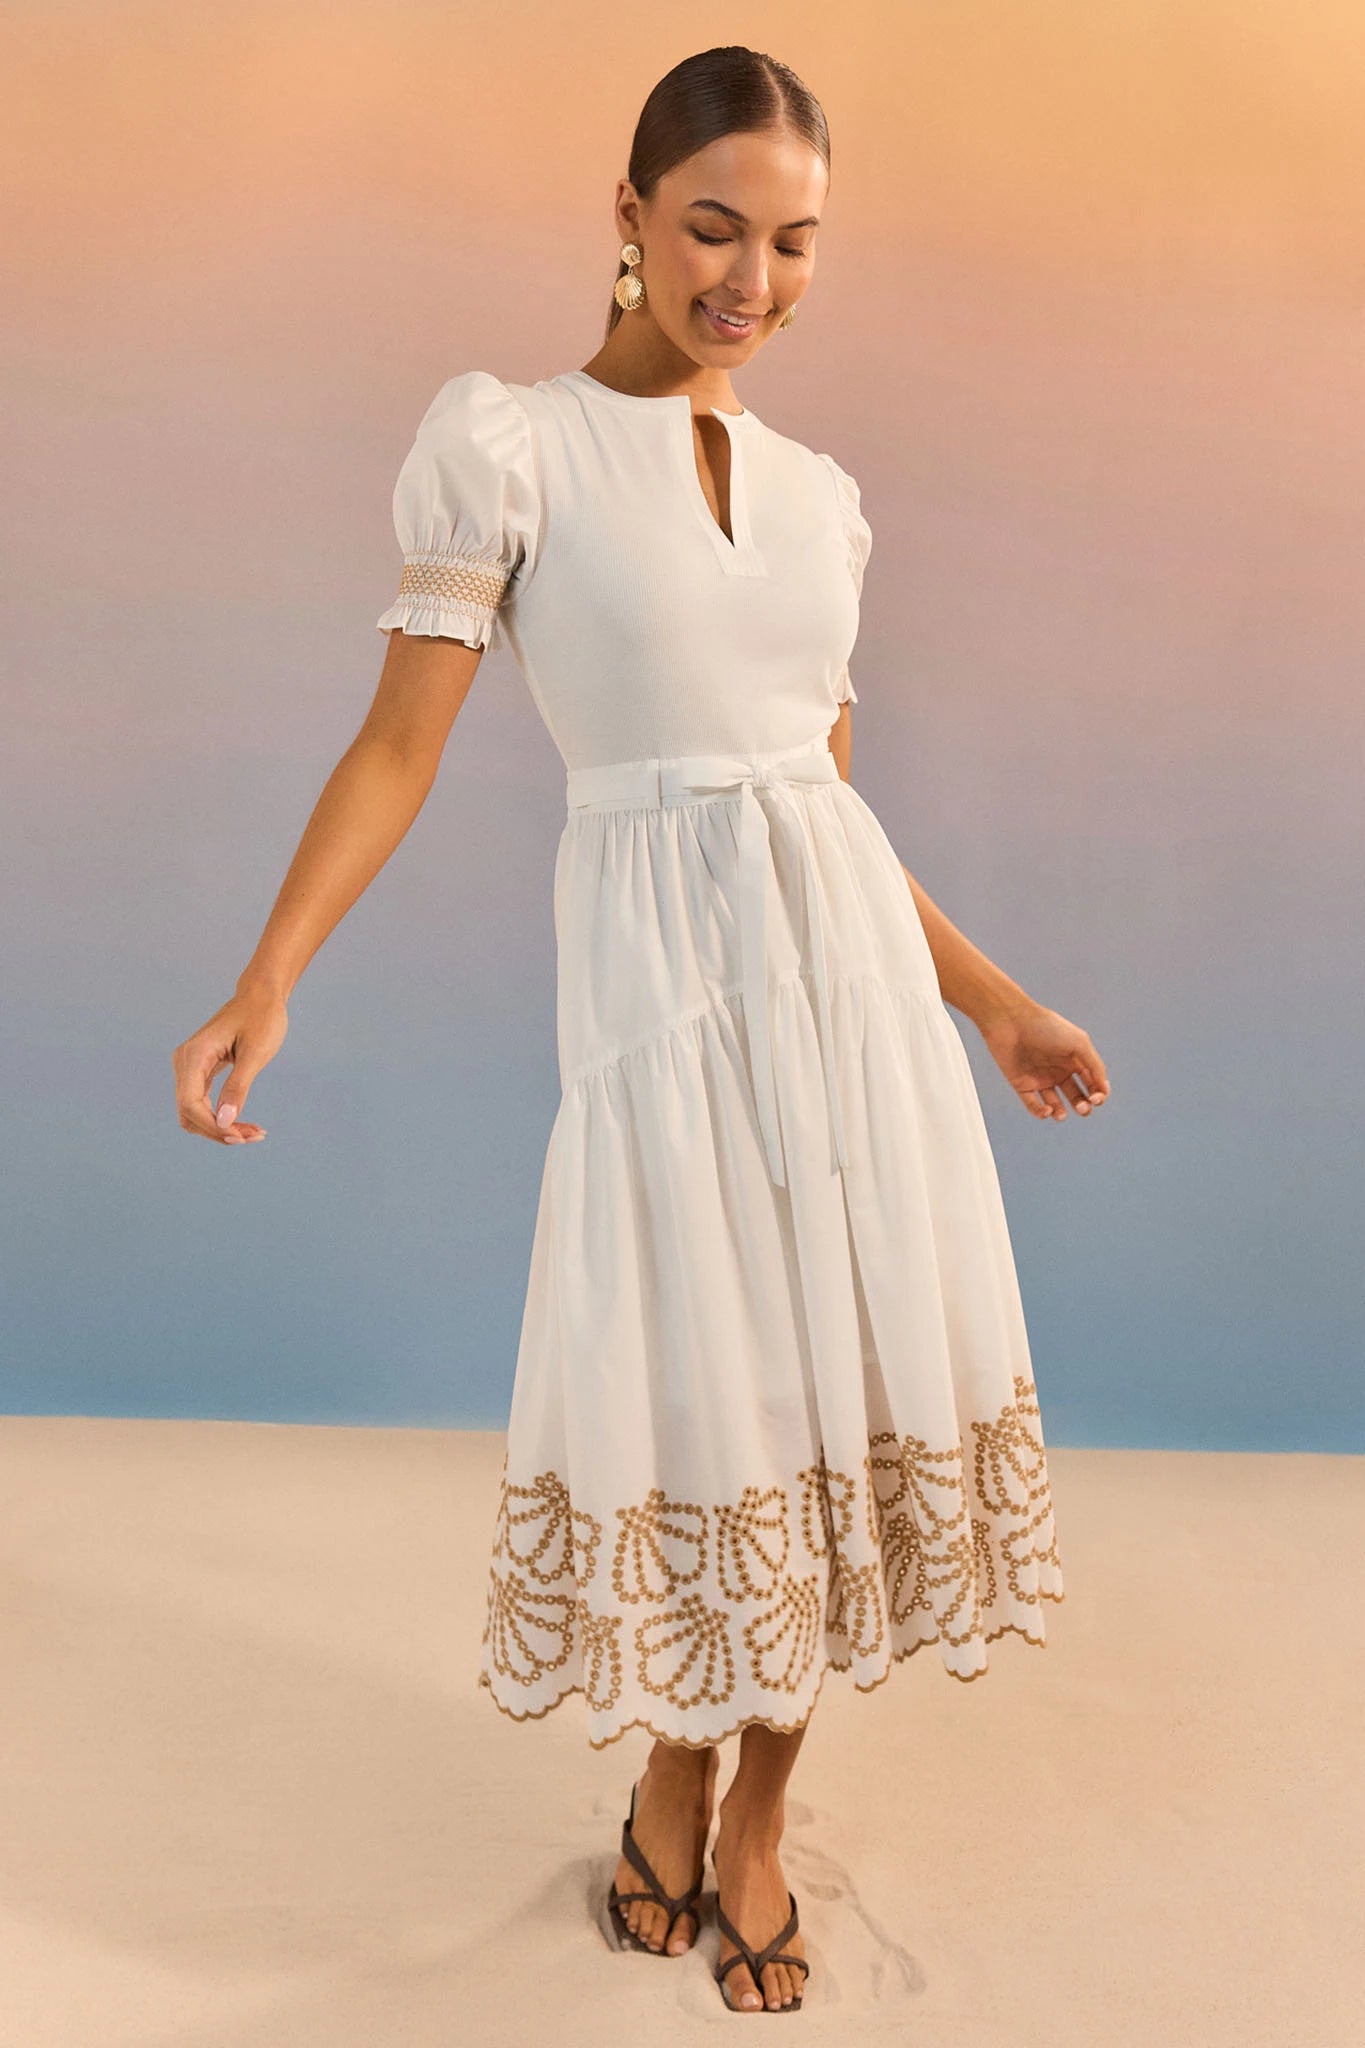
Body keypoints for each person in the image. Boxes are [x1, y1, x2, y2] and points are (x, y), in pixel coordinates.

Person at [172, 44, 1109, 2020]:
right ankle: (668, 1768)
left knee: (825, 1405)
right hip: (662, 1020)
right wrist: (270, 974)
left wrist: (996, 1002)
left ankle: (745, 1814)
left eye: (792, 243)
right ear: (626, 216)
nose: (749, 280)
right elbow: (396, 745)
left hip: (849, 1013)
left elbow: (822, 803)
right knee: (709, 1407)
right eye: (710, 229)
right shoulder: (507, 448)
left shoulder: (822, 504)